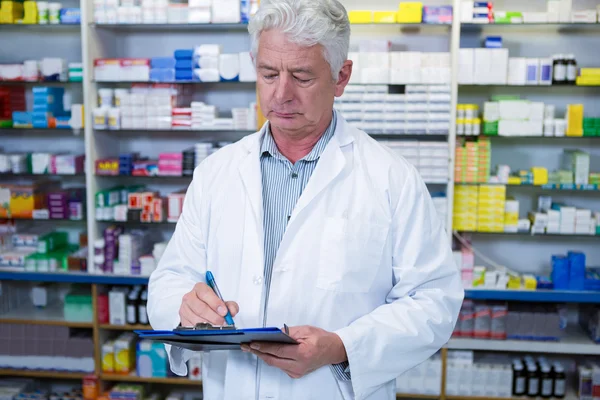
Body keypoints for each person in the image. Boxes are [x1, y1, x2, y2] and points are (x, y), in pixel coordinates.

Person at [147, 0, 464, 399]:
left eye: (301, 76)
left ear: (341, 76)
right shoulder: (217, 173)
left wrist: (342, 346)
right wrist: (184, 306)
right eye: (268, 73)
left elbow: (434, 302)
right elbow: (171, 278)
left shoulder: (391, 179)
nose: (281, 94)